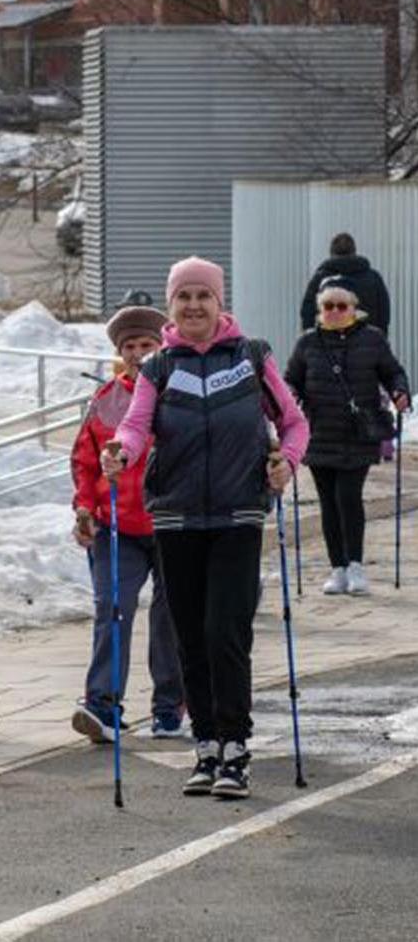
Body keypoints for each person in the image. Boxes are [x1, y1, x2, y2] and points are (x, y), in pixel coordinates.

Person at [102, 257, 309, 800]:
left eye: (204, 296)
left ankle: (236, 749)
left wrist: (286, 459)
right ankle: (207, 747)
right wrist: (121, 453)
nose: (194, 305)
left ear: (220, 303)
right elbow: (136, 425)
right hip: (175, 515)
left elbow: (293, 421)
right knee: (189, 634)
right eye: (184, 297)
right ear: (171, 307)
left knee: (225, 631)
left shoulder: (250, 357)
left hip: (239, 513)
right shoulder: (158, 368)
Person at [70, 298, 185, 743]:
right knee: (112, 608)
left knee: (169, 615)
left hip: (172, 522)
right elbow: (83, 462)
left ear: (162, 346)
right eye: (130, 346)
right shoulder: (105, 400)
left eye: (147, 344)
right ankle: (102, 704)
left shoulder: (179, 394)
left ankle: (169, 704)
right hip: (116, 524)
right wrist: (84, 507)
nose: (139, 353)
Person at [285, 275, 410, 598]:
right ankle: (337, 568)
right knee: (328, 503)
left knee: (348, 498)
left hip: (358, 433)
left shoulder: (372, 339)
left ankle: (355, 565)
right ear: (320, 309)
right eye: (329, 306)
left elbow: (392, 372)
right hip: (319, 434)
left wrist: (400, 391)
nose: (335, 311)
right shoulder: (308, 343)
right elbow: (291, 380)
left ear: (354, 309)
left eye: (342, 306)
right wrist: (290, 397)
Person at [300, 233, 390, 334]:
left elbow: (307, 313)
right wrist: (380, 338)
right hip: (366, 341)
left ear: (331, 253)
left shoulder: (320, 279)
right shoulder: (373, 278)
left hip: (328, 342)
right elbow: (384, 312)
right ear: (354, 251)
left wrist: (310, 340)